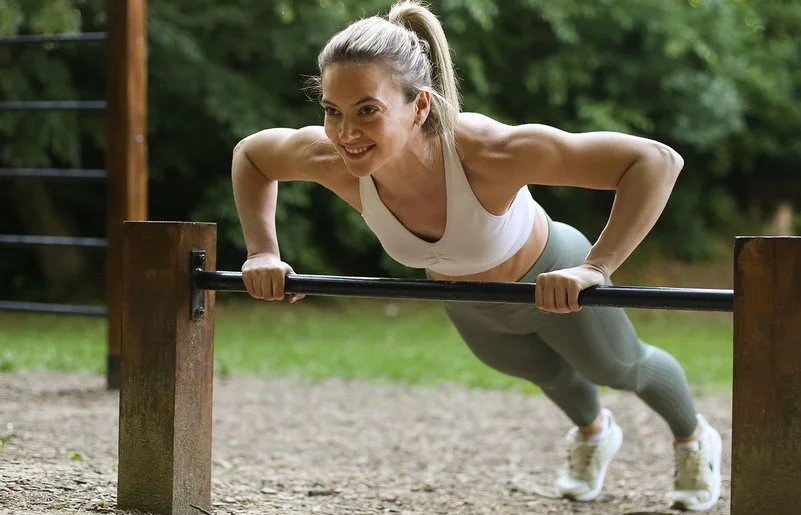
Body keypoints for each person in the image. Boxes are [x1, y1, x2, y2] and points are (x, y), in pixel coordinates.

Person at [231, 0, 723, 511]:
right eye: (332, 111)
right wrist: (262, 251)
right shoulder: (332, 159)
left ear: (419, 106)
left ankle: (695, 441)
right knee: (548, 374)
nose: (345, 133)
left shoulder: (485, 151)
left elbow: (656, 161)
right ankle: (595, 433)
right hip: (470, 302)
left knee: (621, 369)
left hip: (552, 275)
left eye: (367, 111)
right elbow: (252, 155)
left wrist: (594, 267)